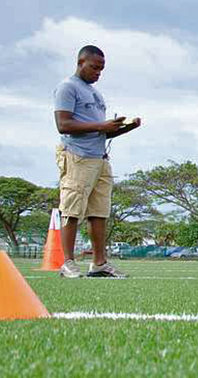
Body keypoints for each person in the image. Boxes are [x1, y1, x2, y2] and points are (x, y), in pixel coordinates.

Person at [53, 45, 141, 278]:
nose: (97, 73)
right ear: (80, 62)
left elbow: (100, 132)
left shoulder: (96, 94)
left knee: (99, 212)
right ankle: (68, 263)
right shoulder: (67, 87)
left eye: (101, 70)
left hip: (99, 158)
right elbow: (64, 124)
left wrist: (124, 128)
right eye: (94, 68)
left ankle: (99, 263)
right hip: (77, 157)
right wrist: (102, 126)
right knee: (72, 210)